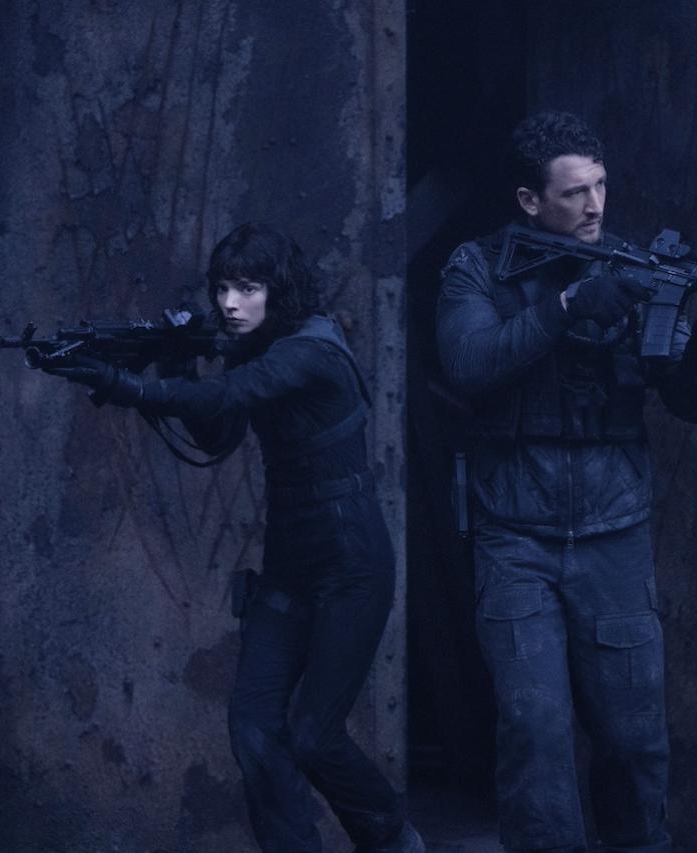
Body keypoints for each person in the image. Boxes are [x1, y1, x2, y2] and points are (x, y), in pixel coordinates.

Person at [42, 222, 423, 853]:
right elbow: (218, 434)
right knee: (252, 728)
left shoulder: (310, 349)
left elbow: (226, 395)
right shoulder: (256, 349)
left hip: (350, 563)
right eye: (222, 288)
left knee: (314, 736)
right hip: (290, 565)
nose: (229, 303)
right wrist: (176, 359)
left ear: (280, 290)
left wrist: (122, 385)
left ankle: (392, 840)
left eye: (248, 288)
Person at [436, 112, 697, 852]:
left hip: (614, 534)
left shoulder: (631, 267)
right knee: (535, 731)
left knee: (634, 738)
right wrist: (568, 305)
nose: (595, 206)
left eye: (601, 186)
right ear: (530, 201)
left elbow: (690, 403)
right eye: (574, 192)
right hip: (515, 538)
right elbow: (469, 364)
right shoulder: (478, 268)